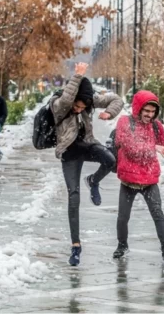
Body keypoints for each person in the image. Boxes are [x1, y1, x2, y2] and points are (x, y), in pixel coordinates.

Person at [50, 62, 124, 266]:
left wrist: (109, 113)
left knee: (110, 160)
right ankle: (75, 245)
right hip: (69, 153)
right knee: (74, 197)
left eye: (83, 107)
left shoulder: (89, 101)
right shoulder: (59, 103)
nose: (79, 109)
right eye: (78, 105)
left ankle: (93, 181)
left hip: (87, 146)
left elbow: (117, 99)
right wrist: (77, 76)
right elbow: (66, 100)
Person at [113, 90, 164, 267]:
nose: (150, 115)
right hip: (128, 180)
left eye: (153, 112)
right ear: (138, 108)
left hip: (149, 180)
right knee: (123, 217)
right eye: (146, 111)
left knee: (158, 215)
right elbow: (129, 147)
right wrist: (153, 147)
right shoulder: (124, 122)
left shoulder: (156, 126)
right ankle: (122, 245)